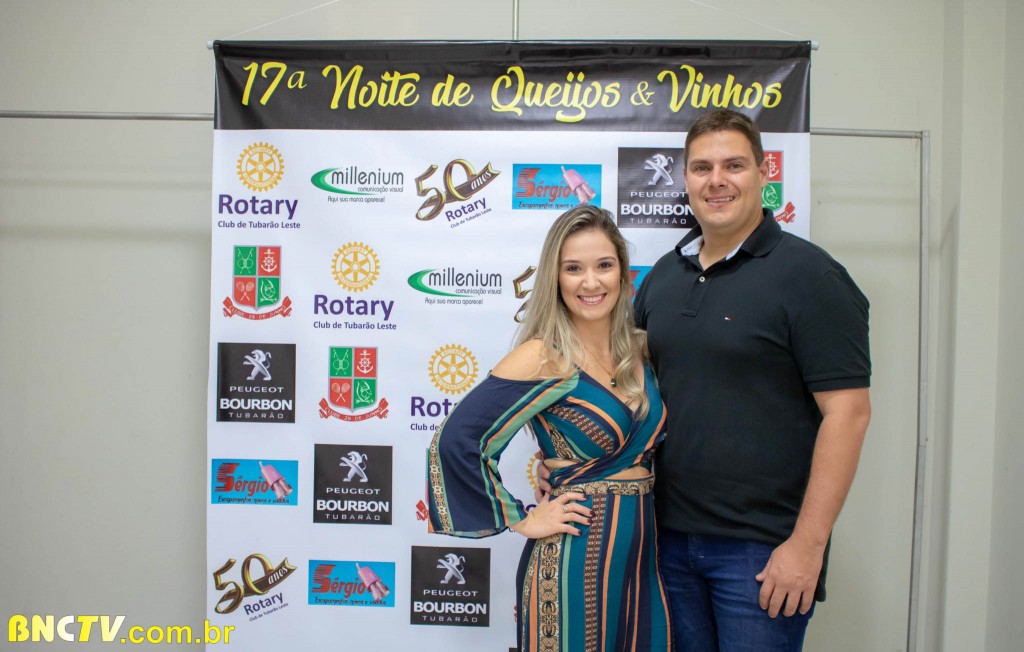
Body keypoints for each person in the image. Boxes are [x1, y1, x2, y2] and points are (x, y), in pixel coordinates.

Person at [630, 109, 872, 651]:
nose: (717, 180)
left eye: (734, 165)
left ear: (764, 173)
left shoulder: (811, 277)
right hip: (664, 539)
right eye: (702, 168)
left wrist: (807, 546)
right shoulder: (663, 277)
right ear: (685, 178)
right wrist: (568, 464)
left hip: (761, 553)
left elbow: (849, 415)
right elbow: (629, 394)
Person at [426, 205, 672, 651]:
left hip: (641, 559)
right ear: (555, 279)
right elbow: (456, 441)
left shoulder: (640, 351)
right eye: (573, 268)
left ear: (623, 273)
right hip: (573, 558)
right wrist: (522, 519)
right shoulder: (545, 356)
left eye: (604, 265)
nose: (591, 282)